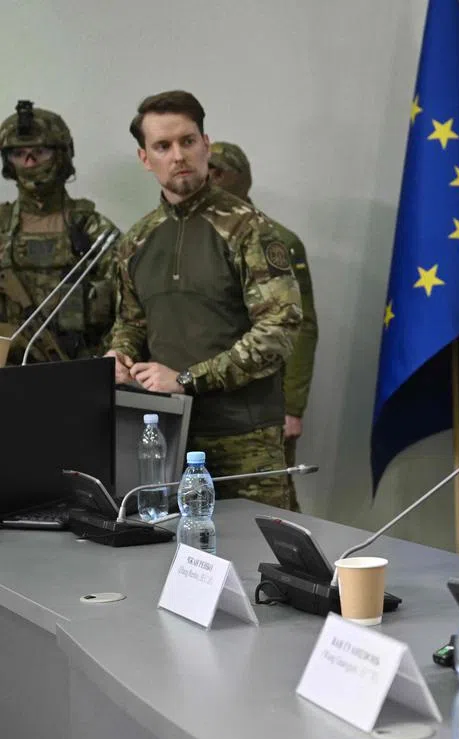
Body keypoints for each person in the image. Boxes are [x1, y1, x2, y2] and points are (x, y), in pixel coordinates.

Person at [105, 90, 302, 511]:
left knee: (258, 566)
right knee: (169, 561)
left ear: (206, 144)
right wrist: (119, 354)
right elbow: (132, 321)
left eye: (187, 141)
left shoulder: (250, 230)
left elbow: (278, 332)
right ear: (145, 158)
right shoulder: (135, 240)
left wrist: (188, 378)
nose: (178, 155)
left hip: (244, 438)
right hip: (165, 436)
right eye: (163, 146)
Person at [208, 141, 319, 510]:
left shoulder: (276, 239)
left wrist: (293, 406)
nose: (208, 179)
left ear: (240, 179)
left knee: (275, 507)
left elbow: (301, 328)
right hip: (204, 399)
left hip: (263, 399)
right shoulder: (188, 239)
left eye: (218, 171)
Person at [0, 100, 119, 363]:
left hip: (77, 369)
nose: (29, 162)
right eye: (19, 154)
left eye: (40, 152)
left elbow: (128, 314)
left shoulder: (94, 230)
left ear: (61, 155)